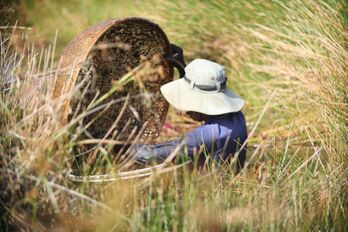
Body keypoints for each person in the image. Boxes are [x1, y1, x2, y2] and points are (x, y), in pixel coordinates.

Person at [133, 59, 247, 172]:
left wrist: (120, 147)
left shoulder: (205, 136)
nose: (187, 112)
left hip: (207, 187)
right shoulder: (237, 117)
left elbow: (148, 155)